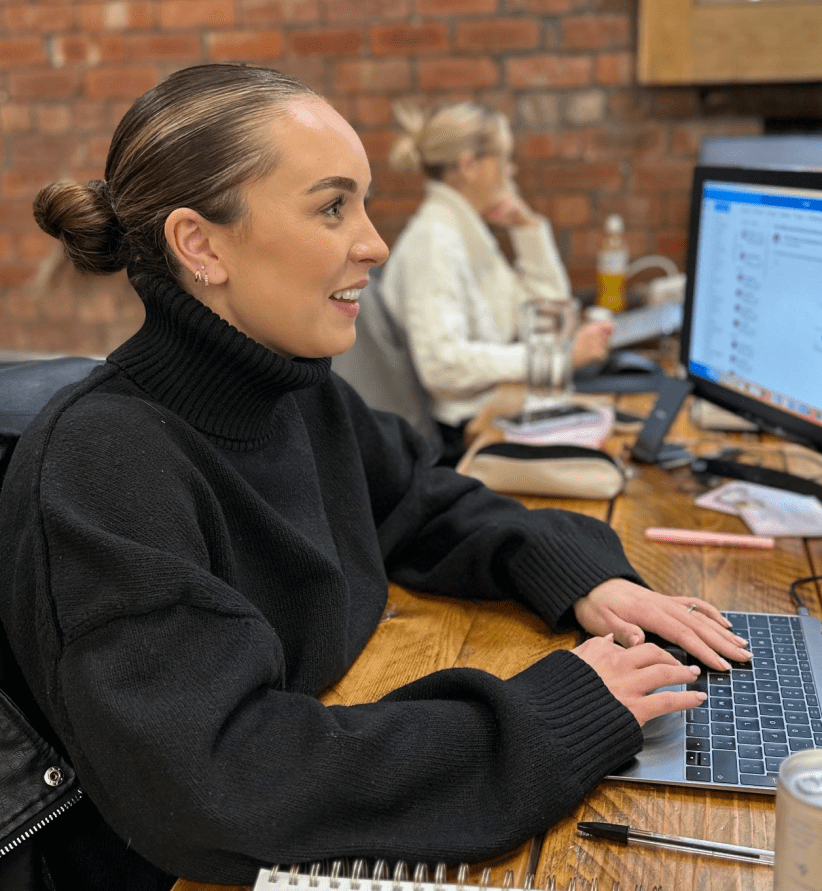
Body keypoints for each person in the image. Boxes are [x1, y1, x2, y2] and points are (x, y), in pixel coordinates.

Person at [0, 64, 750, 890]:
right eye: (332, 206)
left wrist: (578, 575)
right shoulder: (103, 469)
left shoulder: (296, 387)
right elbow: (221, 780)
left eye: (362, 201)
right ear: (200, 245)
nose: (375, 242)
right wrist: (554, 711)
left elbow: (418, 498)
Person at [381, 101, 615, 464]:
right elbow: (441, 366)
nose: (511, 170)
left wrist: (527, 229)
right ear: (469, 164)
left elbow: (549, 317)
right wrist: (557, 360)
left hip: (484, 415)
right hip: (458, 439)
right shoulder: (434, 242)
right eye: (504, 159)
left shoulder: (464, 235)